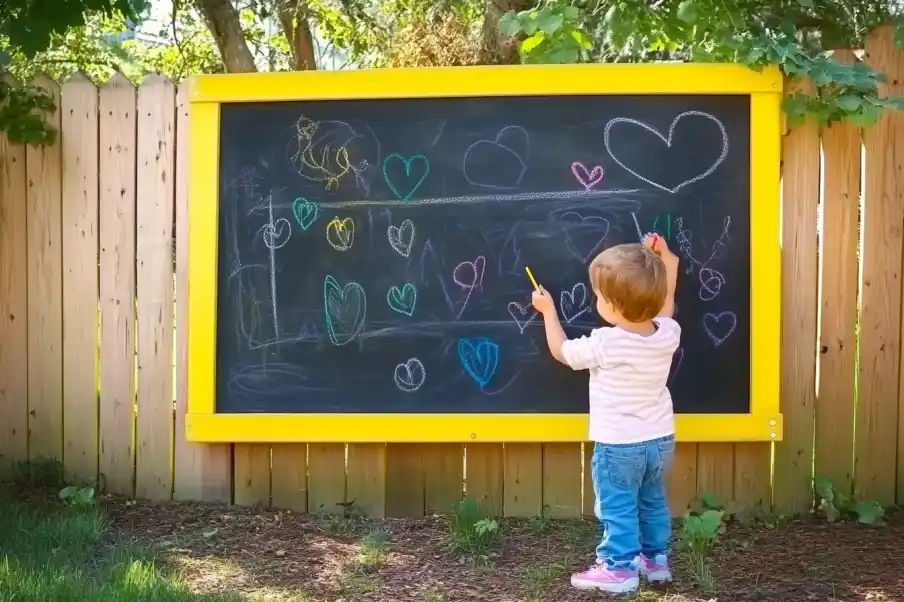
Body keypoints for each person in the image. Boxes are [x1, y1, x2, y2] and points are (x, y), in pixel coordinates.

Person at [530, 233, 681, 595]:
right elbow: (667, 300)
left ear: (612, 307)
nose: (596, 301)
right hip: (660, 441)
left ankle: (618, 568)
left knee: (618, 505)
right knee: (651, 499)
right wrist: (665, 258)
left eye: (599, 297)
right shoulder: (668, 333)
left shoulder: (605, 343)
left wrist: (548, 312)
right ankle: (655, 560)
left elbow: (563, 352)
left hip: (618, 445)